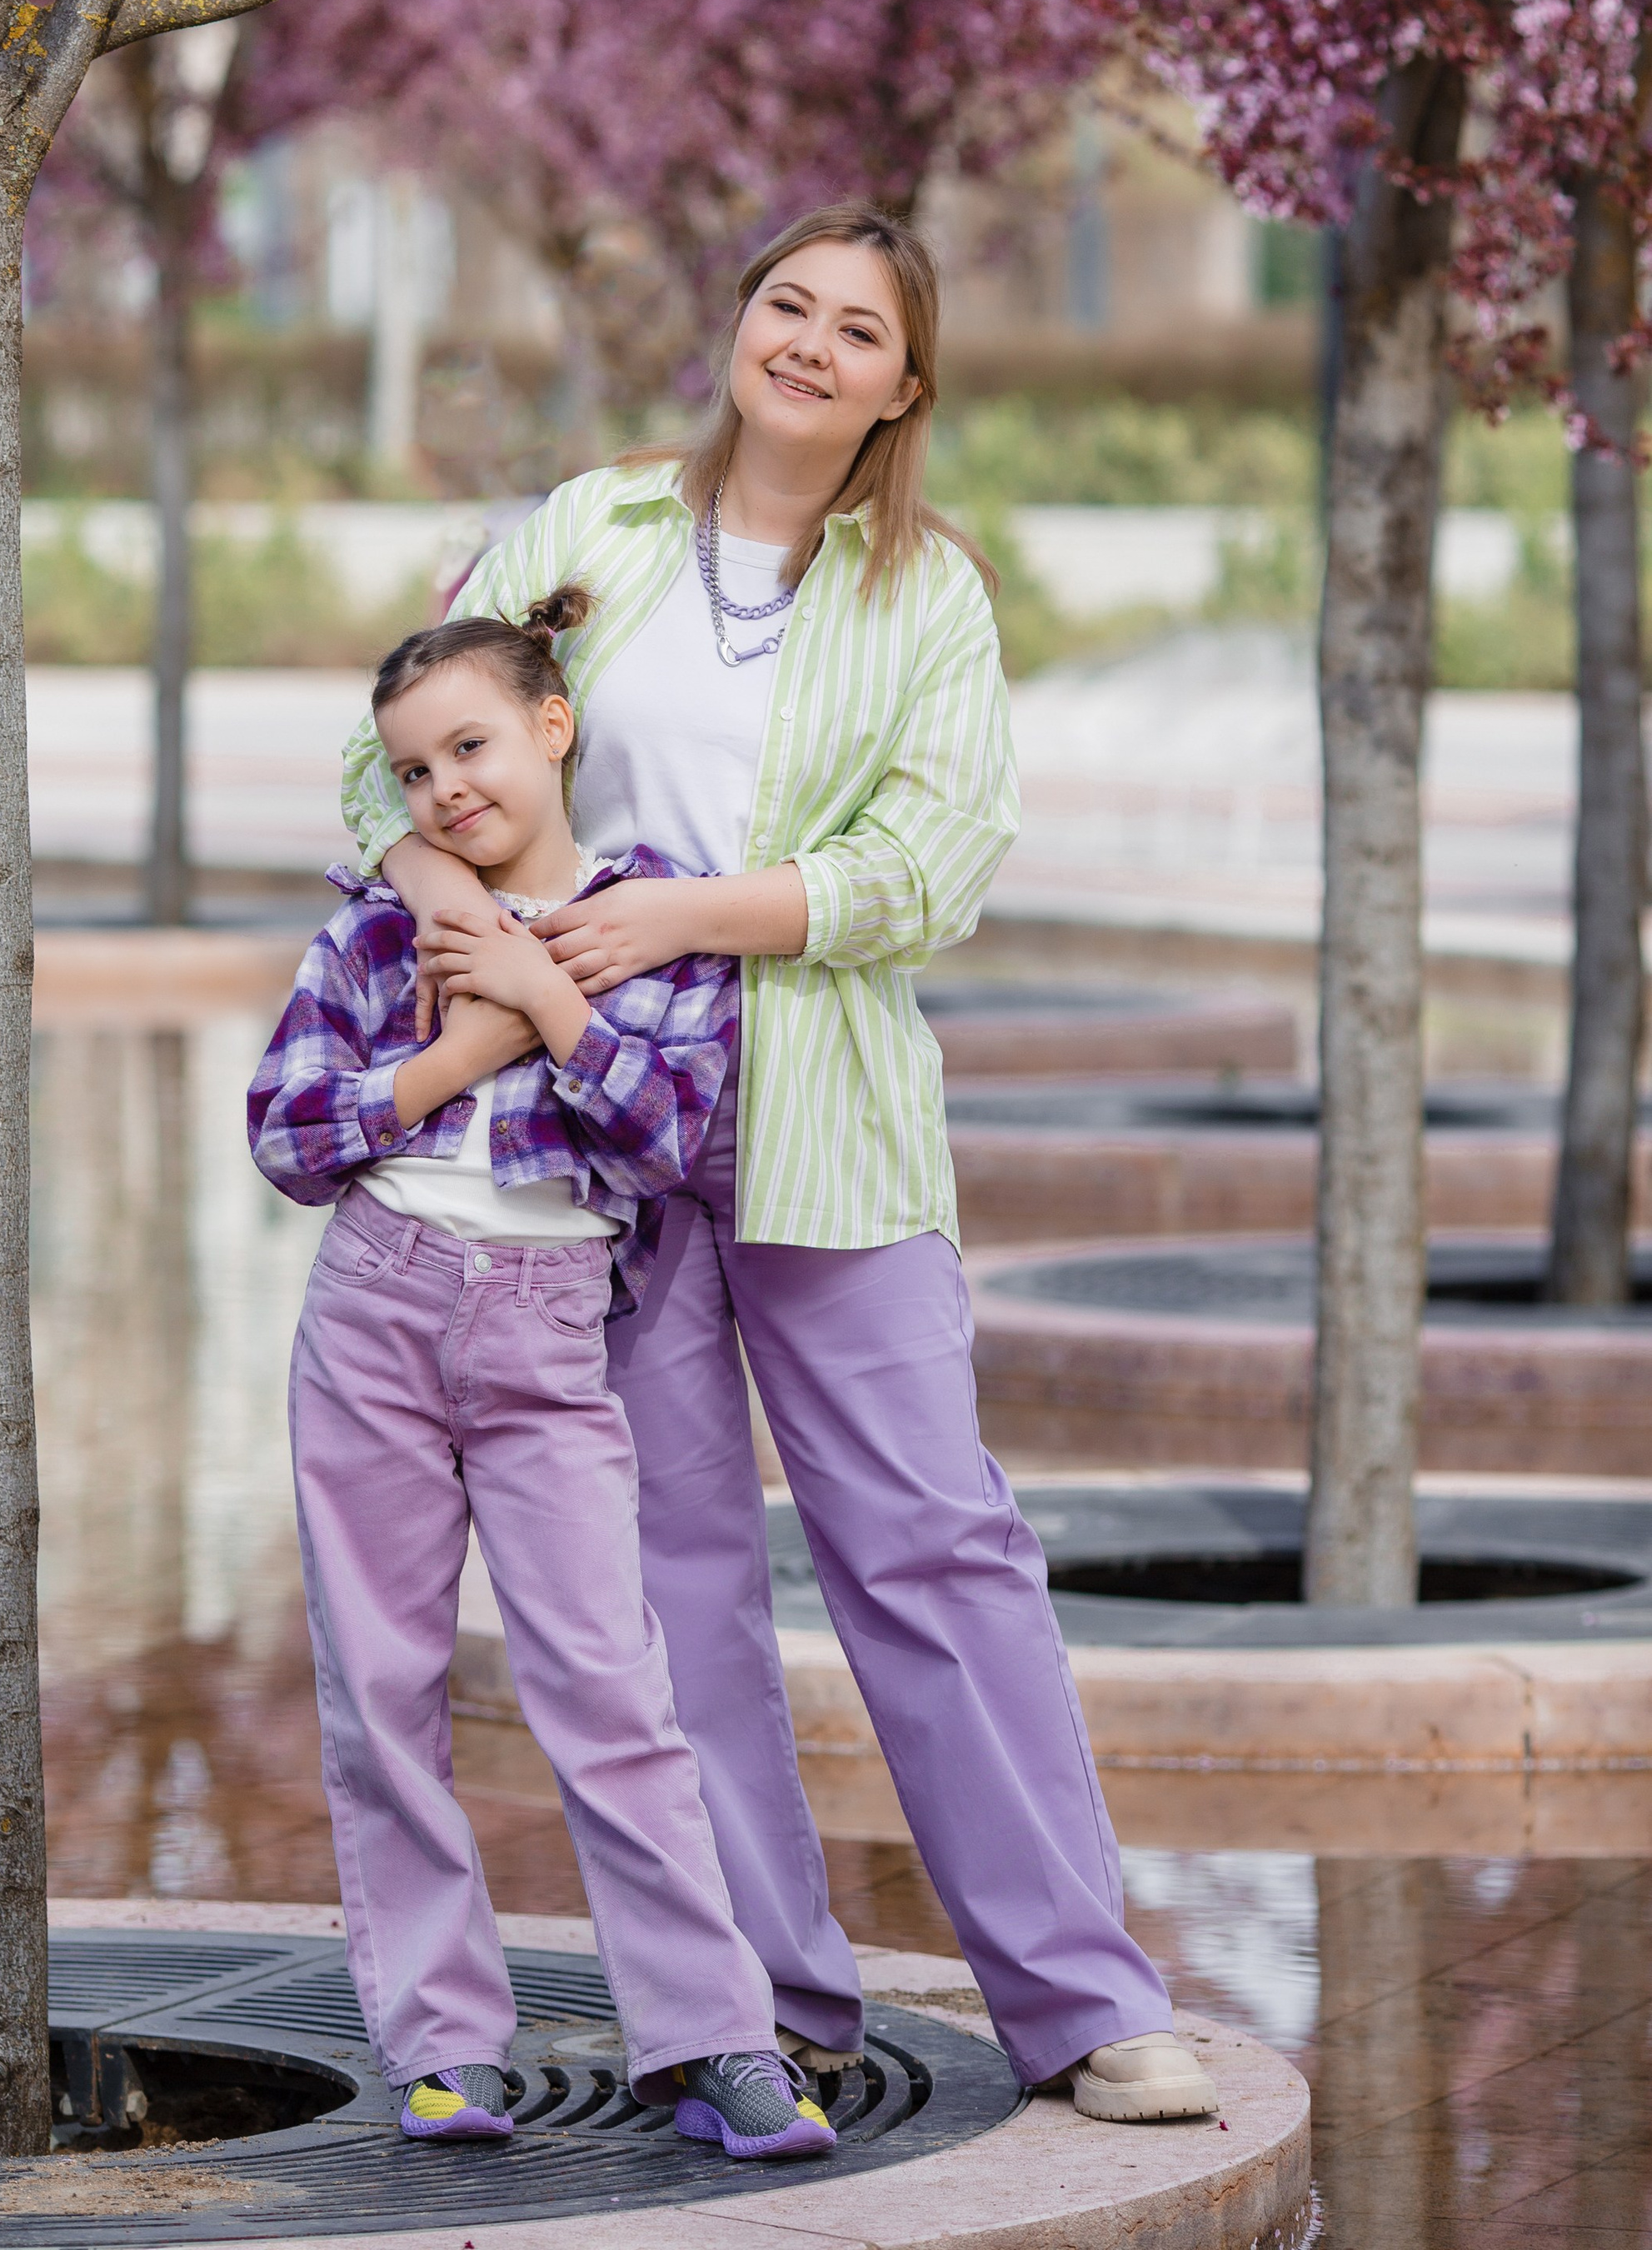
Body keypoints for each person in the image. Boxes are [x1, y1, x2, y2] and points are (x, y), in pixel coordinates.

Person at [342, 204, 1219, 2128]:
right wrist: (448, 906)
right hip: (588, 1141)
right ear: (733, 325)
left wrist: (678, 922)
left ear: (904, 387)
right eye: (782, 305)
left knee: (934, 1546)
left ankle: (1080, 2000)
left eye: (856, 328)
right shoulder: (587, 534)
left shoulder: (929, 599)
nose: (807, 344)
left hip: (825, 1119)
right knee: (672, 1578)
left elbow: (930, 873)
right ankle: (761, 2004)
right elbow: (384, 771)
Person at [249, 592, 840, 2163]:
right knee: (383, 1693)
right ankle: (445, 2047)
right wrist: (461, 1056)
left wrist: (550, 998)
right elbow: (288, 1134)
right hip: (372, 1309)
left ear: (553, 726)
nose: (450, 789)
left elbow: (663, 1137)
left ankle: (713, 2040)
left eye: (474, 745)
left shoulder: (651, 921)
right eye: (419, 769)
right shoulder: (378, 925)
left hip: (548, 1327)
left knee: (610, 1687)